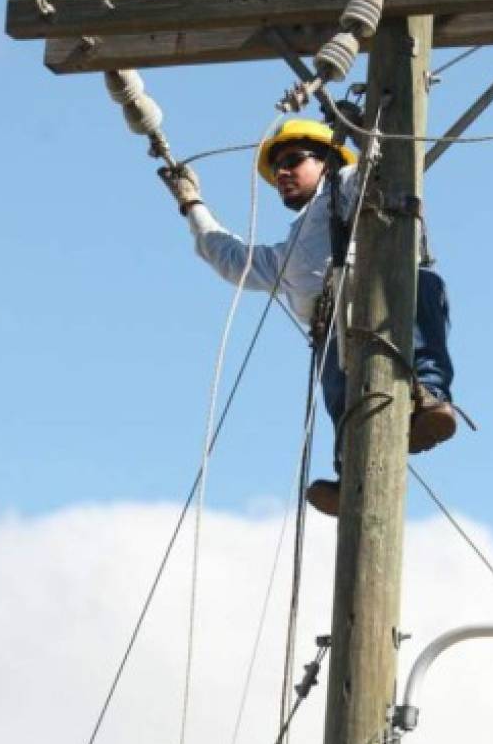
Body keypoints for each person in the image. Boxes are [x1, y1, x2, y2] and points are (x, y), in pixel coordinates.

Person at [160, 119, 456, 517]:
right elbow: (232, 259)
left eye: (294, 161)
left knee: (417, 324)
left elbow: (380, 169)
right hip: (334, 327)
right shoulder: (293, 249)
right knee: (341, 398)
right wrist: (192, 205)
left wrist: (369, 129)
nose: (282, 173)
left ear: (328, 163)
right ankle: (351, 469)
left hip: (393, 290)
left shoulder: (348, 183)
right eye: (277, 166)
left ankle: (428, 398)